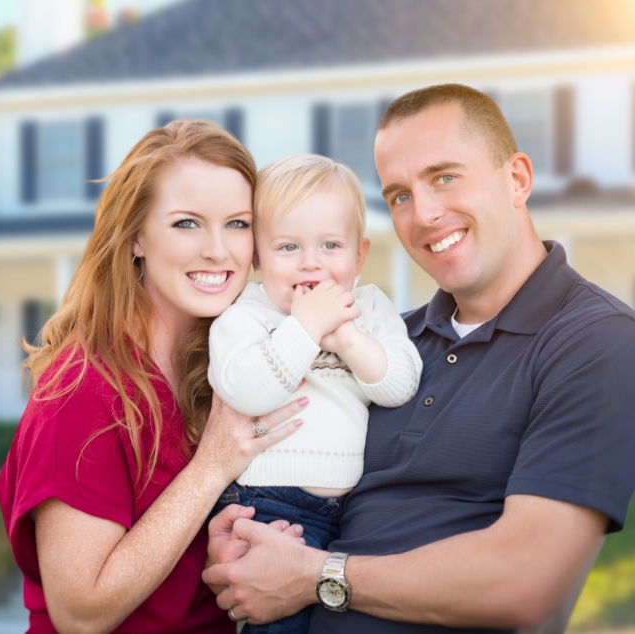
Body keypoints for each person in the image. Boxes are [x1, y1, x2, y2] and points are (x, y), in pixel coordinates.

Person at [203, 83, 635, 633]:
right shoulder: (387, 340)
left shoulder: (595, 340)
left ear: (518, 179)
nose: (425, 213)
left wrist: (316, 575)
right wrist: (245, 541)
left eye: (445, 177)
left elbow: (527, 583)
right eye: (400, 195)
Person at [0, 119, 309, 634]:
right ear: (136, 235)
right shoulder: (82, 391)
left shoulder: (235, 369)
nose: (218, 250)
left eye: (237, 223)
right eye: (187, 223)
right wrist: (211, 469)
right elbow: (81, 612)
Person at [207, 154, 422, 633]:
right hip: (266, 506)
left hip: (349, 513)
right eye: (287, 247)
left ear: (359, 256)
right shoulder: (246, 314)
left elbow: (400, 385)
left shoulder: (366, 309)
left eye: (330, 245)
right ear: (257, 258)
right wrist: (305, 327)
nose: (311, 262)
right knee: (279, 621)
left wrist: (345, 337)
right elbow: (246, 390)